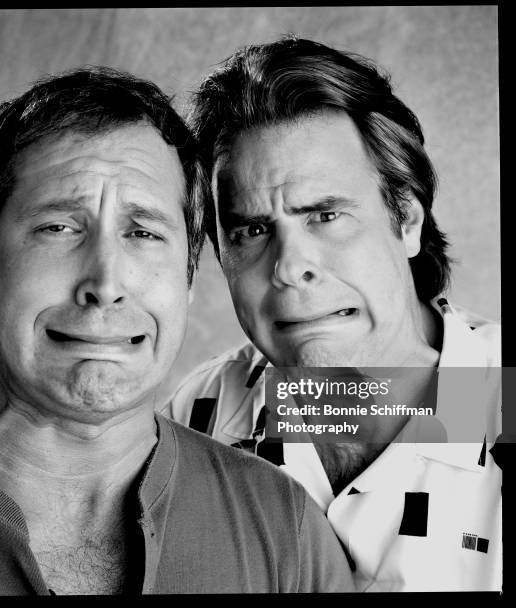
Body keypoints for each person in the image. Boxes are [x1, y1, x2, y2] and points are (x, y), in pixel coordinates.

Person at [0, 66, 356, 596]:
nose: (105, 283)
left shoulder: (285, 531)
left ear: (190, 277)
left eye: (144, 232)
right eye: (58, 228)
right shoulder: (223, 394)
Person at [166, 37, 502, 592]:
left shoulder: (500, 401)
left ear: (408, 221)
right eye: (251, 230)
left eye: (325, 214)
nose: (289, 267)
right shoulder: (196, 415)